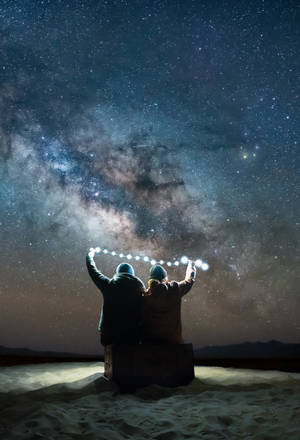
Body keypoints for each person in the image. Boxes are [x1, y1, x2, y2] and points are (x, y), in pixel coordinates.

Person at [86, 248, 145, 346]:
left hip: (109, 336)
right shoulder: (140, 288)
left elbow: (93, 271)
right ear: (132, 274)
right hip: (133, 336)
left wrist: (89, 256)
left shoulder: (109, 285)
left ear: (118, 273)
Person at [141, 261, 196, 344]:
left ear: (151, 279)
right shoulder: (174, 289)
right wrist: (191, 267)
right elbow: (189, 281)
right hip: (173, 342)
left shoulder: (145, 296)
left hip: (151, 343)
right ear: (164, 277)